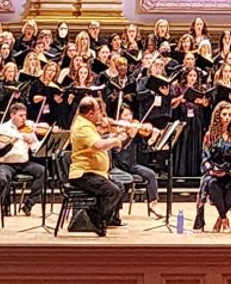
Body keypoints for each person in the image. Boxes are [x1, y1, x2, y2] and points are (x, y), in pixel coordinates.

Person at [68, 96, 125, 236]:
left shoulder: (87, 124)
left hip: (95, 172)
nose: (100, 114)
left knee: (121, 187)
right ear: (90, 113)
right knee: (112, 190)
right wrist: (115, 141)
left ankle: (105, 220)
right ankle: (89, 218)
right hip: (83, 173)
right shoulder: (82, 126)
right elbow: (98, 145)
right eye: (98, 110)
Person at [196, 101, 231, 232]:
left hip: (230, 171)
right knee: (212, 184)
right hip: (215, 171)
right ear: (218, 116)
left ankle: (220, 219)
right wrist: (211, 170)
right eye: (224, 114)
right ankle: (224, 219)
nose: (227, 117)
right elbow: (205, 156)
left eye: (230, 115)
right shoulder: (210, 134)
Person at [0, 103, 50, 216]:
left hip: (24, 163)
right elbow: (1, 147)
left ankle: (29, 204)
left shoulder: (28, 128)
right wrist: (19, 137)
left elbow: (35, 147)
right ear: (12, 115)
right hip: (6, 163)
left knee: (43, 171)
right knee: (4, 176)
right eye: (20, 115)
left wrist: (34, 142)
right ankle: (6, 206)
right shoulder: (3, 128)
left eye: (25, 115)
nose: (24, 118)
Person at [111, 104, 162, 218]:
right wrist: (128, 136)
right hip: (118, 166)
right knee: (124, 181)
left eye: (130, 115)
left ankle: (153, 205)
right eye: (125, 115)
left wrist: (153, 138)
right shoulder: (116, 132)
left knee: (151, 174)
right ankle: (115, 212)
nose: (128, 118)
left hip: (132, 165)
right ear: (119, 116)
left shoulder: (134, 130)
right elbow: (116, 151)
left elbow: (144, 149)